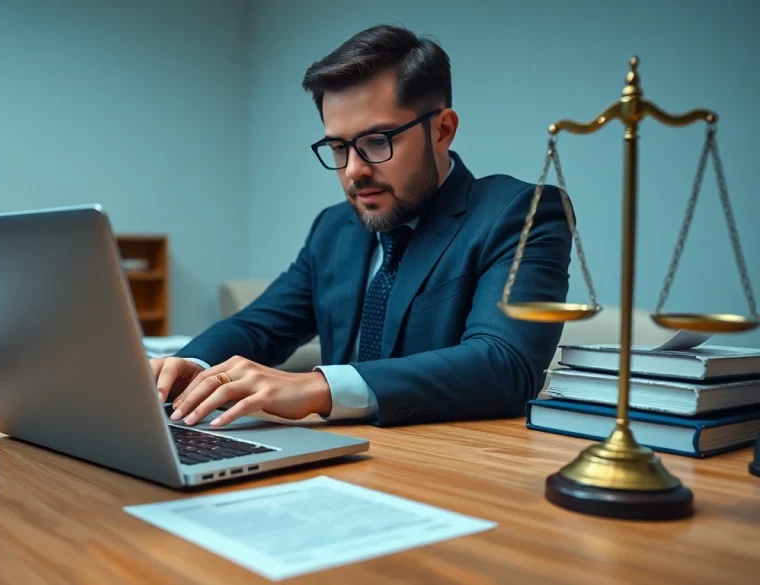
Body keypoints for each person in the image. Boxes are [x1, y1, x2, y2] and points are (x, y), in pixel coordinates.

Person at [151, 24, 573, 428]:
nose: (354, 171)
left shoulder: (520, 212)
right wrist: (191, 367)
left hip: (449, 465)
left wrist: (318, 387)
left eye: (377, 141)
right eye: (338, 147)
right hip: (335, 458)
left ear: (442, 130)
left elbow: (505, 365)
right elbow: (257, 326)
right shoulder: (334, 228)